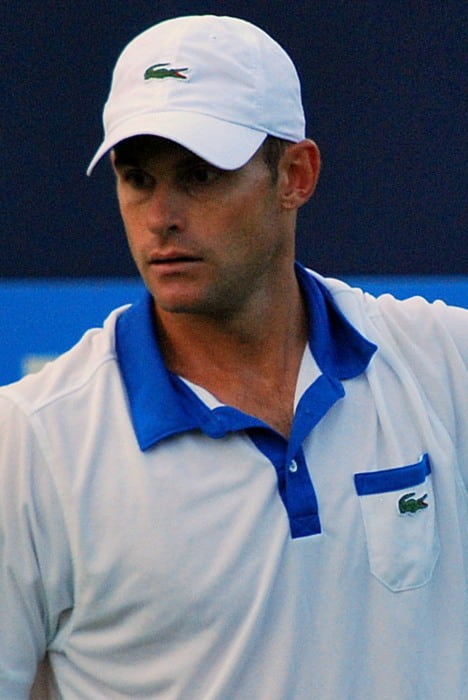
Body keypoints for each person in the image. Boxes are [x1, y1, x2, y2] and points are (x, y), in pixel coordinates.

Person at [1, 14, 467, 700]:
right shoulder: (31, 439)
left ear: (295, 175)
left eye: (199, 175)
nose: (162, 214)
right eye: (137, 178)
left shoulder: (444, 364)